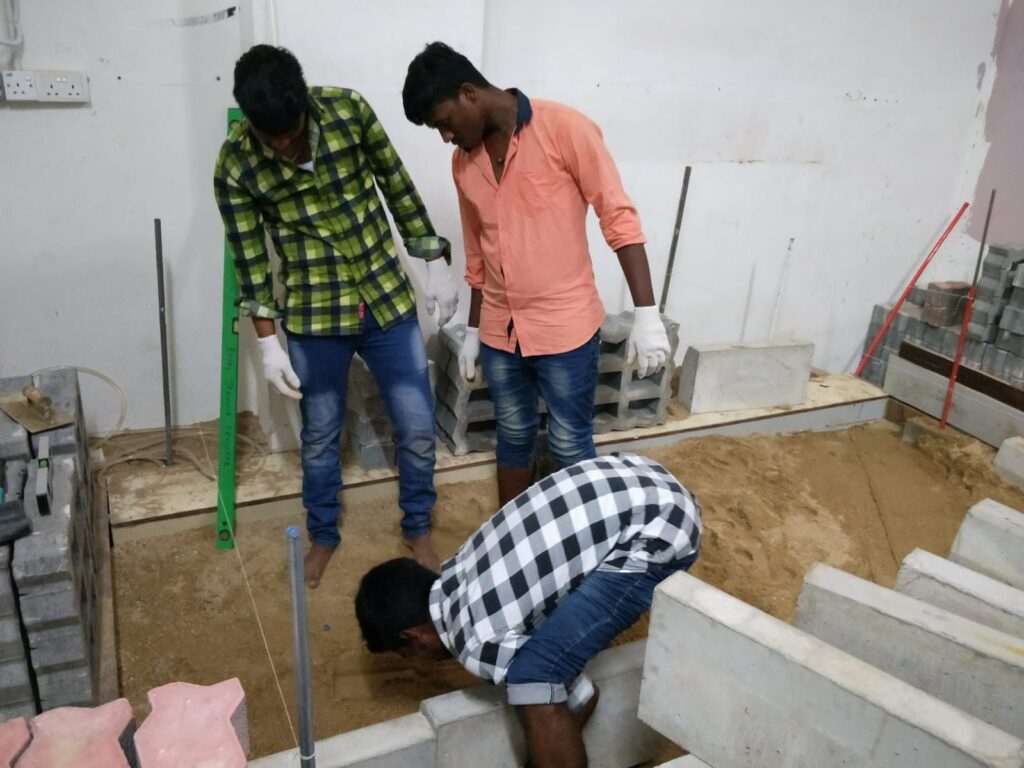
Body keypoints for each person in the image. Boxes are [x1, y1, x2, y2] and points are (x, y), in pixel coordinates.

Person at [214, 45, 458, 584]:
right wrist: (267, 340)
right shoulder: (236, 167)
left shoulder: (349, 112)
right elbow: (250, 257)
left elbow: (398, 188)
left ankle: (417, 527)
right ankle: (323, 534)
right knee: (320, 436)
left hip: (386, 305)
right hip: (313, 319)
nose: (283, 145)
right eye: (270, 137)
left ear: (304, 102)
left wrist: (434, 259)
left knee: (417, 427)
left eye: (291, 132)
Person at [402, 42, 673, 507]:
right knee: (512, 434)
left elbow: (618, 217)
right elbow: (479, 255)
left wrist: (647, 313)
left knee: (569, 441)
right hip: (500, 332)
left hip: (565, 327)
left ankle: (573, 543)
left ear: (469, 93)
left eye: (444, 121)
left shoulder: (564, 128)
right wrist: (472, 328)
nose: (445, 136)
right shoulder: (464, 164)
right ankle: (514, 535)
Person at [355, 452, 701, 768]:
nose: (419, 665)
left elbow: (578, 695)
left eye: (407, 655)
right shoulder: (457, 567)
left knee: (533, 677)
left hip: (661, 533)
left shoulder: (476, 644)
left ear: (415, 637)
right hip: (642, 476)